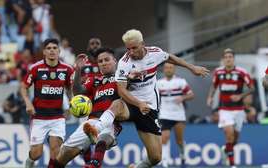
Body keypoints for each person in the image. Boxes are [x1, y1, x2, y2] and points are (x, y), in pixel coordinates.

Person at [83, 29, 209, 168]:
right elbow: (122, 90)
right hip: (131, 103)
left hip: (149, 108)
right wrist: (138, 102)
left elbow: (169, 58)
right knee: (117, 103)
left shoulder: (154, 53)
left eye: (134, 48)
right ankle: (97, 128)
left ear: (142, 44)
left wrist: (191, 67)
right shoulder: (124, 63)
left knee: (155, 157)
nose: (131, 52)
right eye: (128, 48)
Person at [54, 48, 122, 168]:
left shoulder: (122, 78)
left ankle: (94, 164)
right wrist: (78, 69)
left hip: (111, 121)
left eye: (107, 59)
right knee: (62, 155)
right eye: (100, 61)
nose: (104, 63)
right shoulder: (95, 79)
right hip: (91, 121)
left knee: (103, 138)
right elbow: (78, 92)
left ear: (115, 61)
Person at [21, 38, 74, 168]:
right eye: (49, 48)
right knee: (36, 153)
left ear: (59, 51)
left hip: (57, 117)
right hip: (39, 117)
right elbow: (23, 87)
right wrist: (28, 103)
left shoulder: (67, 70)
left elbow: (69, 89)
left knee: (56, 151)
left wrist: (73, 103)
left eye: (55, 48)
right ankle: (30, 161)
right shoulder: (35, 68)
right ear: (44, 52)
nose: (52, 51)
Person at [206, 48, 254, 167]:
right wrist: (210, 97)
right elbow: (214, 85)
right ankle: (232, 165)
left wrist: (240, 96)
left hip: (238, 110)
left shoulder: (241, 72)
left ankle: (226, 150)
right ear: (223, 59)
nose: (228, 59)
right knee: (229, 134)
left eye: (230, 57)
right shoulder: (218, 72)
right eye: (226, 57)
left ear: (233, 59)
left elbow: (252, 88)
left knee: (235, 140)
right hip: (224, 109)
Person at [157, 63, 194, 167]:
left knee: (179, 141)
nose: (169, 70)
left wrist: (183, 98)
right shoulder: (159, 83)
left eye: (171, 68)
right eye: (167, 68)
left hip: (178, 115)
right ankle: (164, 162)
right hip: (164, 114)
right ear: (164, 70)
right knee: (164, 138)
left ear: (174, 70)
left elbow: (191, 95)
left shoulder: (180, 82)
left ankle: (182, 155)